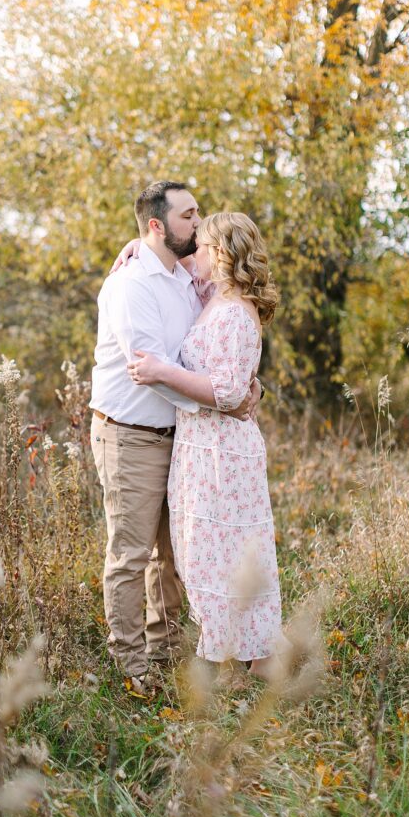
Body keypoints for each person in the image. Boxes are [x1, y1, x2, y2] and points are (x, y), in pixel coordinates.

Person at [89, 183, 261, 685]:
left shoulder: (188, 275)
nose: (198, 223)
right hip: (132, 435)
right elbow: (152, 369)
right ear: (157, 226)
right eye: (188, 216)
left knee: (172, 553)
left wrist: (248, 386)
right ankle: (131, 667)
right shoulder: (129, 285)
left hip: (183, 437)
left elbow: (224, 341)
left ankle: (164, 655)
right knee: (131, 553)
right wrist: (228, 401)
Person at [127, 212, 282, 679]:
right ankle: (243, 655)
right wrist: (135, 248)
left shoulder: (235, 311)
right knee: (202, 552)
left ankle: (232, 660)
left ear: (221, 253)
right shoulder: (214, 297)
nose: (193, 254)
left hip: (223, 454)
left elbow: (232, 391)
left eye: (201, 247)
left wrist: (162, 372)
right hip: (200, 447)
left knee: (222, 554)